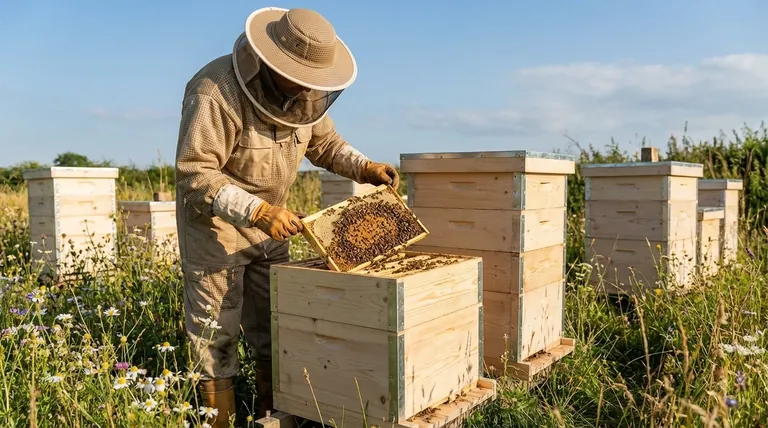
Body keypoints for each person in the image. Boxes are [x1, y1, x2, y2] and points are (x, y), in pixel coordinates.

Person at [174, 6, 399, 427]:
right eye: (299, 77)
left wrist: (365, 167)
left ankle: (272, 417)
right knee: (215, 337)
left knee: (276, 329)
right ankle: (218, 420)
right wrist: (256, 210)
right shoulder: (215, 91)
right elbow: (195, 172)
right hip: (216, 228)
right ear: (271, 61)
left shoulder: (306, 97)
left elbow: (326, 144)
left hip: (272, 229)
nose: (307, 89)